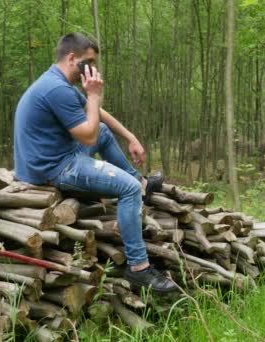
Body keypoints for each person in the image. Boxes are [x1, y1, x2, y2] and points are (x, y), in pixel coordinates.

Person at [13, 32, 176, 294]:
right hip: (53, 169)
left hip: (57, 157)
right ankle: (139, 269)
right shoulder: (56, 90)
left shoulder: (58, 82)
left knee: (104, 132)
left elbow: (97, 117)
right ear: (70, 58)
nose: (92, 69)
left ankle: (142, 182)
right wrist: (94, 94)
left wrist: (131, 137)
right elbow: (87, 133)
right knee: (128, 189)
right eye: (88, 62)